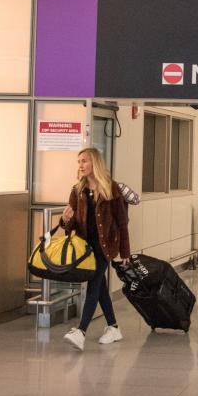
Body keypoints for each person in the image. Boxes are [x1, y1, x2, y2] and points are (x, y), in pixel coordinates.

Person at [60, 148, 130, 352]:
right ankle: (113, 327)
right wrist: (65, 220)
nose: (80, 165)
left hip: (105, 246)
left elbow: (122, 223)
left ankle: (81, 331)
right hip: (85, 247)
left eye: (85, 161)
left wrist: (125, 252)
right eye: (79, 161)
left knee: (93, 283)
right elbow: (71, 224)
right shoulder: (77, 190)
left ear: (95, 163)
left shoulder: (111, 188)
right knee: (99, 285)